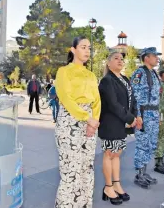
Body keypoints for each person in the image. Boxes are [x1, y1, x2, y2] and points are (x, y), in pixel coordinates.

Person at [54, 36, 101, 208]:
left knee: (86, 169)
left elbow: (97, 101)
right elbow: (66, 98)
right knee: (71, 170)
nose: (87, 51)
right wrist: (87, 118)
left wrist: (93, 121)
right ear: (73, 50)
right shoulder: (63, 71)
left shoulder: (91, 75)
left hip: (90, 122)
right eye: (83, 47)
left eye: (89, 47)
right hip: (70, 121)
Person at [98, 51, 137, 205]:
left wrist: (134, 116)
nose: (120, 61)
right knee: (109, 154)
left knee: (117, 153)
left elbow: (131, 100)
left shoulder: (125, 79)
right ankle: (108, 187)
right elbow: (113, 104)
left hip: (122, 122)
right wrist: (130, 118)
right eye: (116, 58)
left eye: (121, 59)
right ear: (108, 63)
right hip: (110, 122)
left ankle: (116, 184)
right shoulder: (107, 80)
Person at [131, 47, 161, 189]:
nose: (157, 58)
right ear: (146, 58)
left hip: (153, 114)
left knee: (150, 144)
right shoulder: (139, 73)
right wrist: (137, 116)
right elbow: (134, 97)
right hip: (144, 114)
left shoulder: (153, 73)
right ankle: (139, 174)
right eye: (154, 56)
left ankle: (144, 171)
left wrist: (158, 115)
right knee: (142, 144)